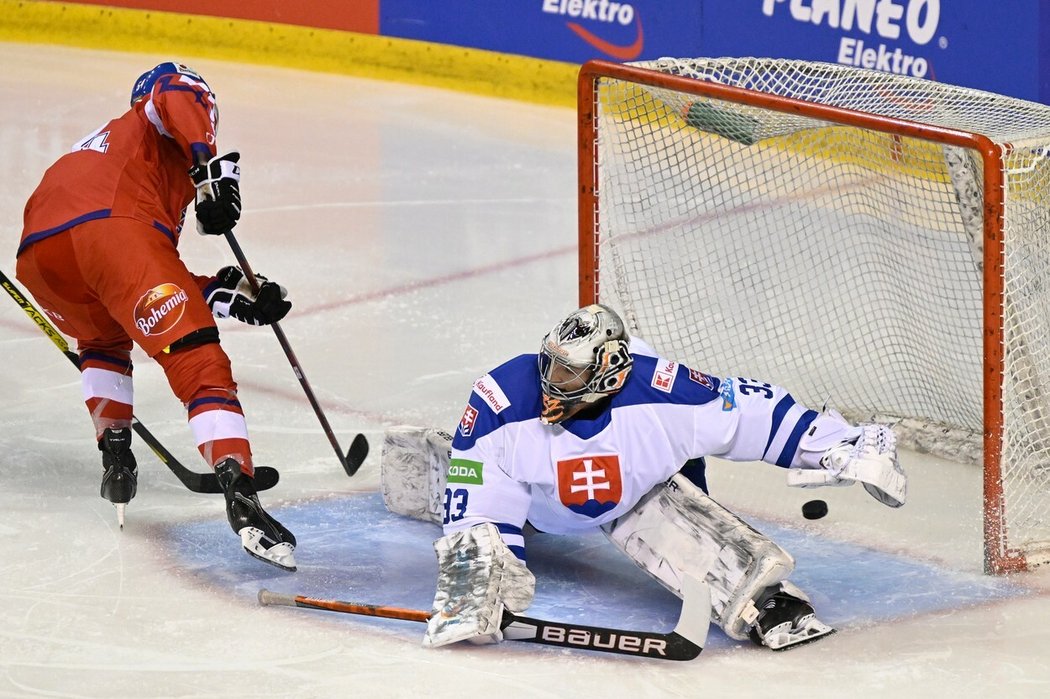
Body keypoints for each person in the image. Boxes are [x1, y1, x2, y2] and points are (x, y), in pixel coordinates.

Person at [380, 304, 907, 650]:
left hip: (641, 488)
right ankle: (493, 524)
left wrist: (837, 445)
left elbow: (755, 412)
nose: (550, 383)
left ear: (609, 368)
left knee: (673, 512)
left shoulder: (668, 394)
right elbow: (480, 492)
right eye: (551, 365)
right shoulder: (501, 396)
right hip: (535, 496)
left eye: (570, 373)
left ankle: (758, 597)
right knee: (485, 524)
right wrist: (477, 573)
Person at [15, 62, 297, 572]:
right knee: (199, 363)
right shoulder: (160, 114)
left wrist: (226, 293)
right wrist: (207, 166)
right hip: (112, 237)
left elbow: (140, 285)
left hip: (39, 259)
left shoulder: (109, 153)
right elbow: (175, 88)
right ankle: (241, 492)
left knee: (103, 340)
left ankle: (116, 455)